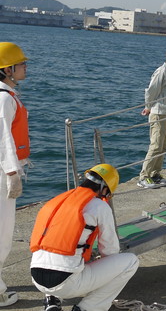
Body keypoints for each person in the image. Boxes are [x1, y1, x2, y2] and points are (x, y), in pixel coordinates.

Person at [30, 163, 139, 311]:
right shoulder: (99, 206)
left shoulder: (58, 201)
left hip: (37, 278)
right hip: (66, 284)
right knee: (131, 261)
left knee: (54, 254)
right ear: (104, 189)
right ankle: (88, 308)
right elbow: (110, 250)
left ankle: (51, 301)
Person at [0, 42, 30, 307]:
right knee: (2, 233)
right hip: (2, 173)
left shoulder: (6, 96)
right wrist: (12, 172)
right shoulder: (5, 99)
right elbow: (3, 139)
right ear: (7, 69)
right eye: (21, 64)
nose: (25, 67)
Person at [138, 48, 166, 189]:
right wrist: (148, 107)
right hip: (159, 114)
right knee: (156, 146)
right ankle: (143, 176)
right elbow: (151, 91)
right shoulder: (162, 71)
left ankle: (155, 174)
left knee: (162, 147)